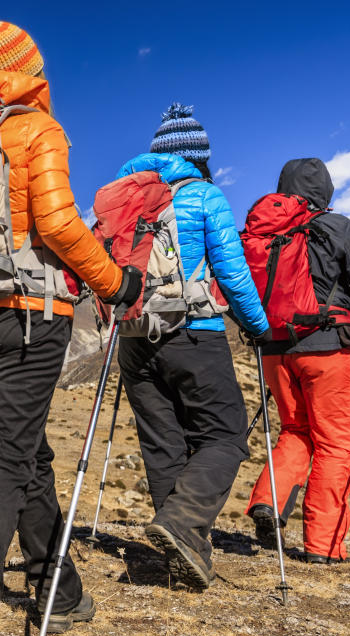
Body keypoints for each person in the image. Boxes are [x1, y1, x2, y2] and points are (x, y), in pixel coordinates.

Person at [0, 0, 142, 636]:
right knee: (8, 459)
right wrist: (116, 283)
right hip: (30, 317)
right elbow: (58, 226)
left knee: (25, 454)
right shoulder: (36, 129)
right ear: (24, 72)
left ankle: (61, 592)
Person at [112, 104, 271, 590]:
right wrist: (258, 327)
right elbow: (233, 273)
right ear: (197, 156)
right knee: (224, 434)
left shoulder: (122, 198)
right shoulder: (203, 195)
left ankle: (187, 555)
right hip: (192, 330)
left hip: (135, 337)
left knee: (163, 444)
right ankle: (182, 524)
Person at [245, 158, 350, 564]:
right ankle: (323, 547)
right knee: (334, 444)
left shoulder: (263, 231)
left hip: (275, 351)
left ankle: (269, 500)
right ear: (324, 192)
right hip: (327, 350)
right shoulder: (335, 227)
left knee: (296, 429)